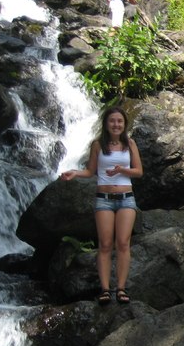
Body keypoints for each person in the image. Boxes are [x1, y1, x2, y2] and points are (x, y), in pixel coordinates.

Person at [60, 107, 143, 305]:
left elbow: (139, 171)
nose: (116, 124)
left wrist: (123, 169)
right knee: (105, 244)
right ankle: (105, 289)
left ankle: (121, 289)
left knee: (123, 243)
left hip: (126, 198)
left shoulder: (130, 144)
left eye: (120, 121)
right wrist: (74, 173)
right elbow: (90, 171)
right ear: (106, 124)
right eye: (112, 121)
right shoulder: (98, 145)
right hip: (103, 198)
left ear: (124, 124)